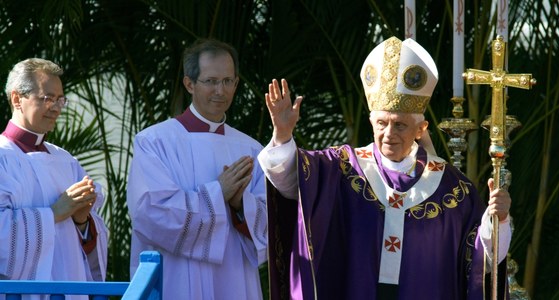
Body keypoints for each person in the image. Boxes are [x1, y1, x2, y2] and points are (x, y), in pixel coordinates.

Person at [258, 36, 513, 300]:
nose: (388, 133)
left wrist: (498, 219)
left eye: (400, 125)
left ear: (421, 129)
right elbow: (291, 183)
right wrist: (283, 136)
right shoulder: (343, 169)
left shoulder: (452, 190)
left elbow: (482, 258)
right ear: (371, 122)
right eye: (381, 123)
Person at [127, 38, 268, 300]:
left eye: (228, 81)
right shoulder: (155, 142)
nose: (220, 91)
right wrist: (218, 193)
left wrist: (240, 205)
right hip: (178, 277)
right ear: (189, 83)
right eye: (211, 81)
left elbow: (271, 222)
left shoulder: (251, 149)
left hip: (235, 275)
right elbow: (149, 213)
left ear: (236, 83)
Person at [0, 58, 108, 298]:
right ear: (17, 99)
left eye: (60, 99)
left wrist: (82, 220)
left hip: (70, 287)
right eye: (48, 98)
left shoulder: (65, 160)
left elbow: (89, 238)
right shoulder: (2, 157)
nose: (57, 107)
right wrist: (54, 214)